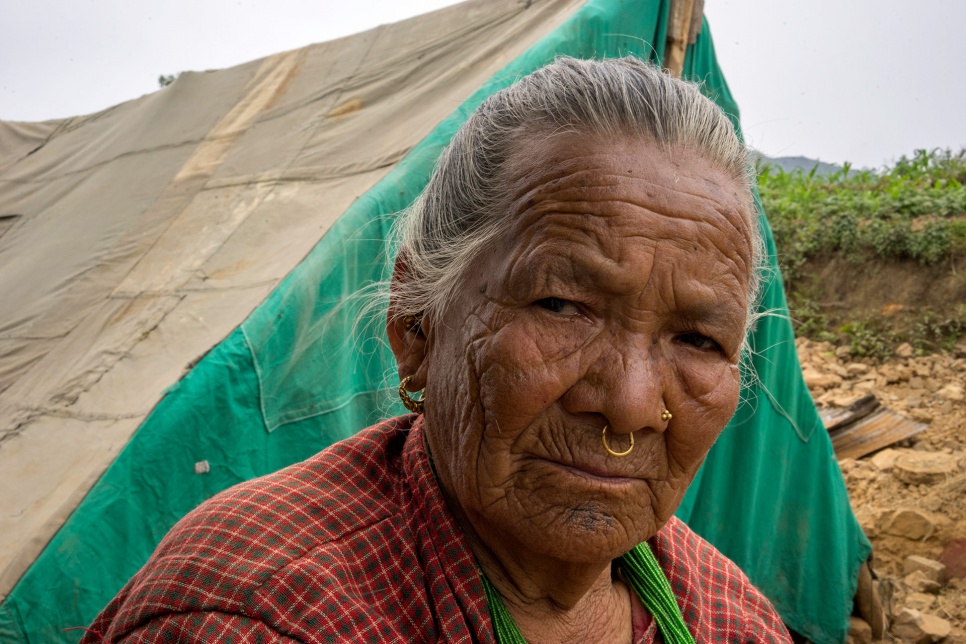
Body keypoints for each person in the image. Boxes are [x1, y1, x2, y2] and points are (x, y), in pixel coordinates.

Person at [82, 57, 790, 643]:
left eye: (698, 339)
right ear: (416, 323)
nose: (631, 405)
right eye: (561, 306)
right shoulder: (257, 618)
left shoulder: (729, 616)